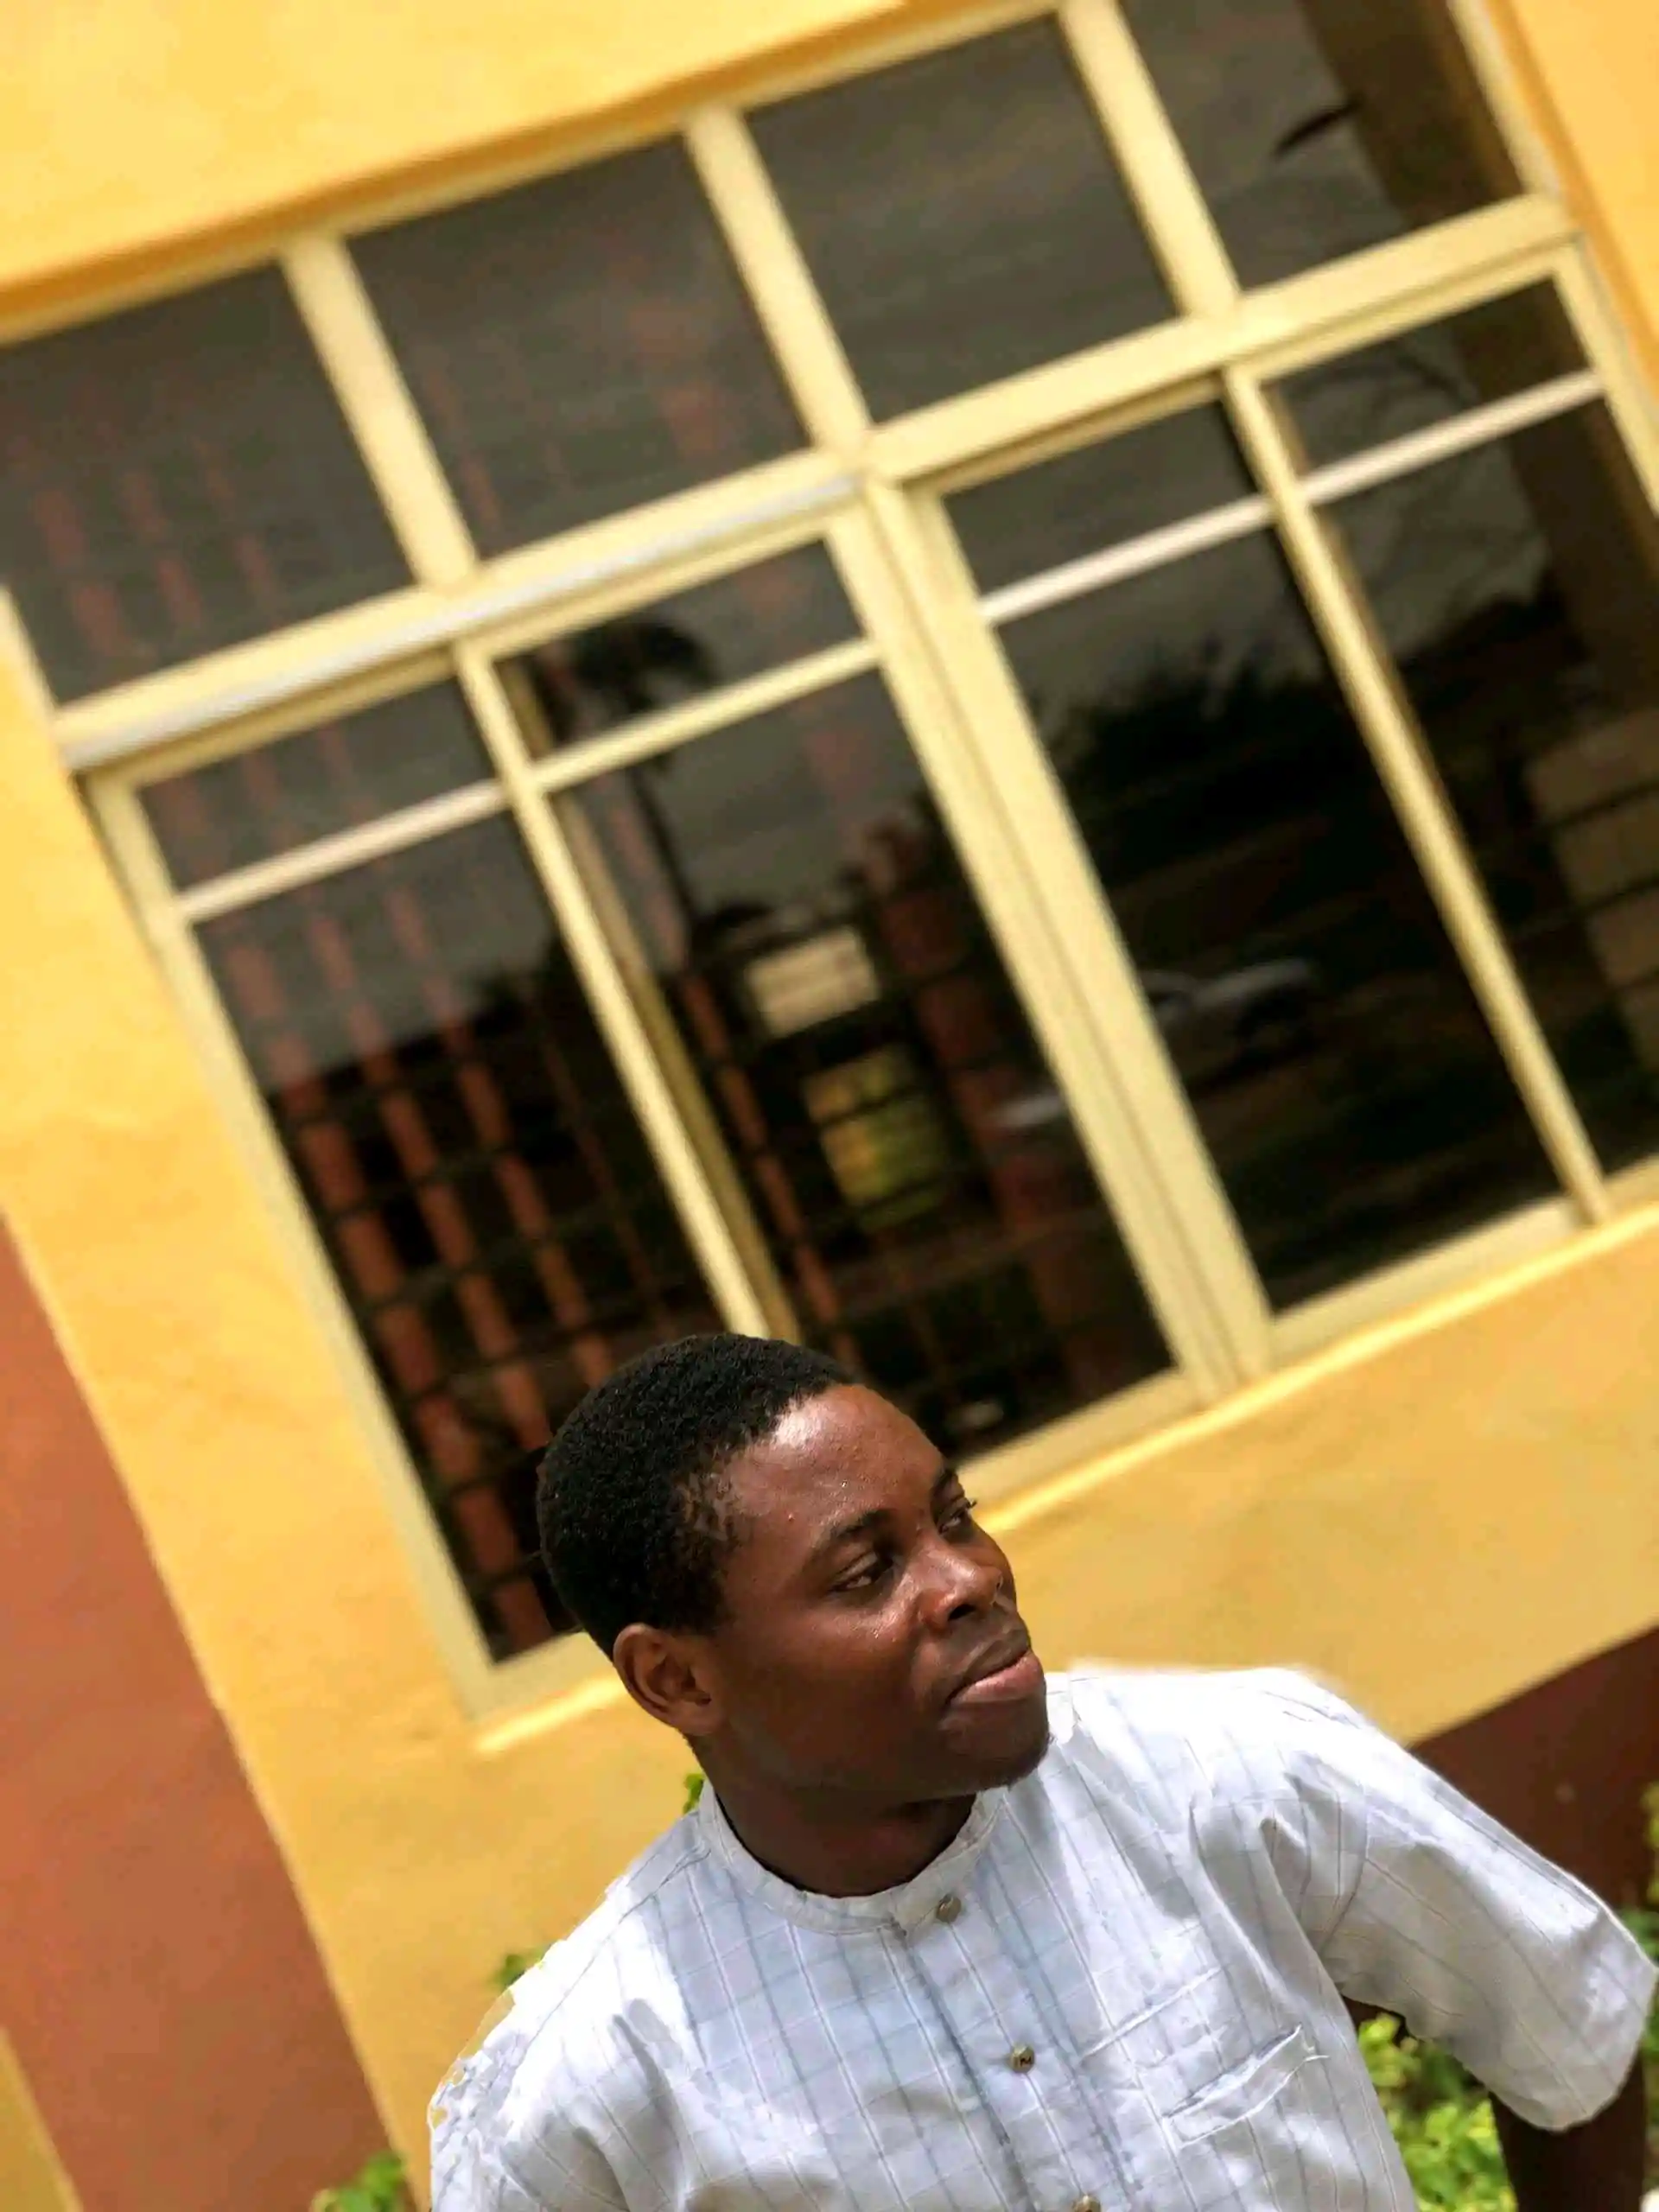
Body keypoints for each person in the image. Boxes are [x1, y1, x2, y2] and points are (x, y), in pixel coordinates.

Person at [431, 1334, 1655, 2210]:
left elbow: (1566, 2030)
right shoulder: (586, 2094)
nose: (969, 1579)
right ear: (677, 1680)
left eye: (954, 1516)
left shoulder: (1232, 1774)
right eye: (866, 1573)